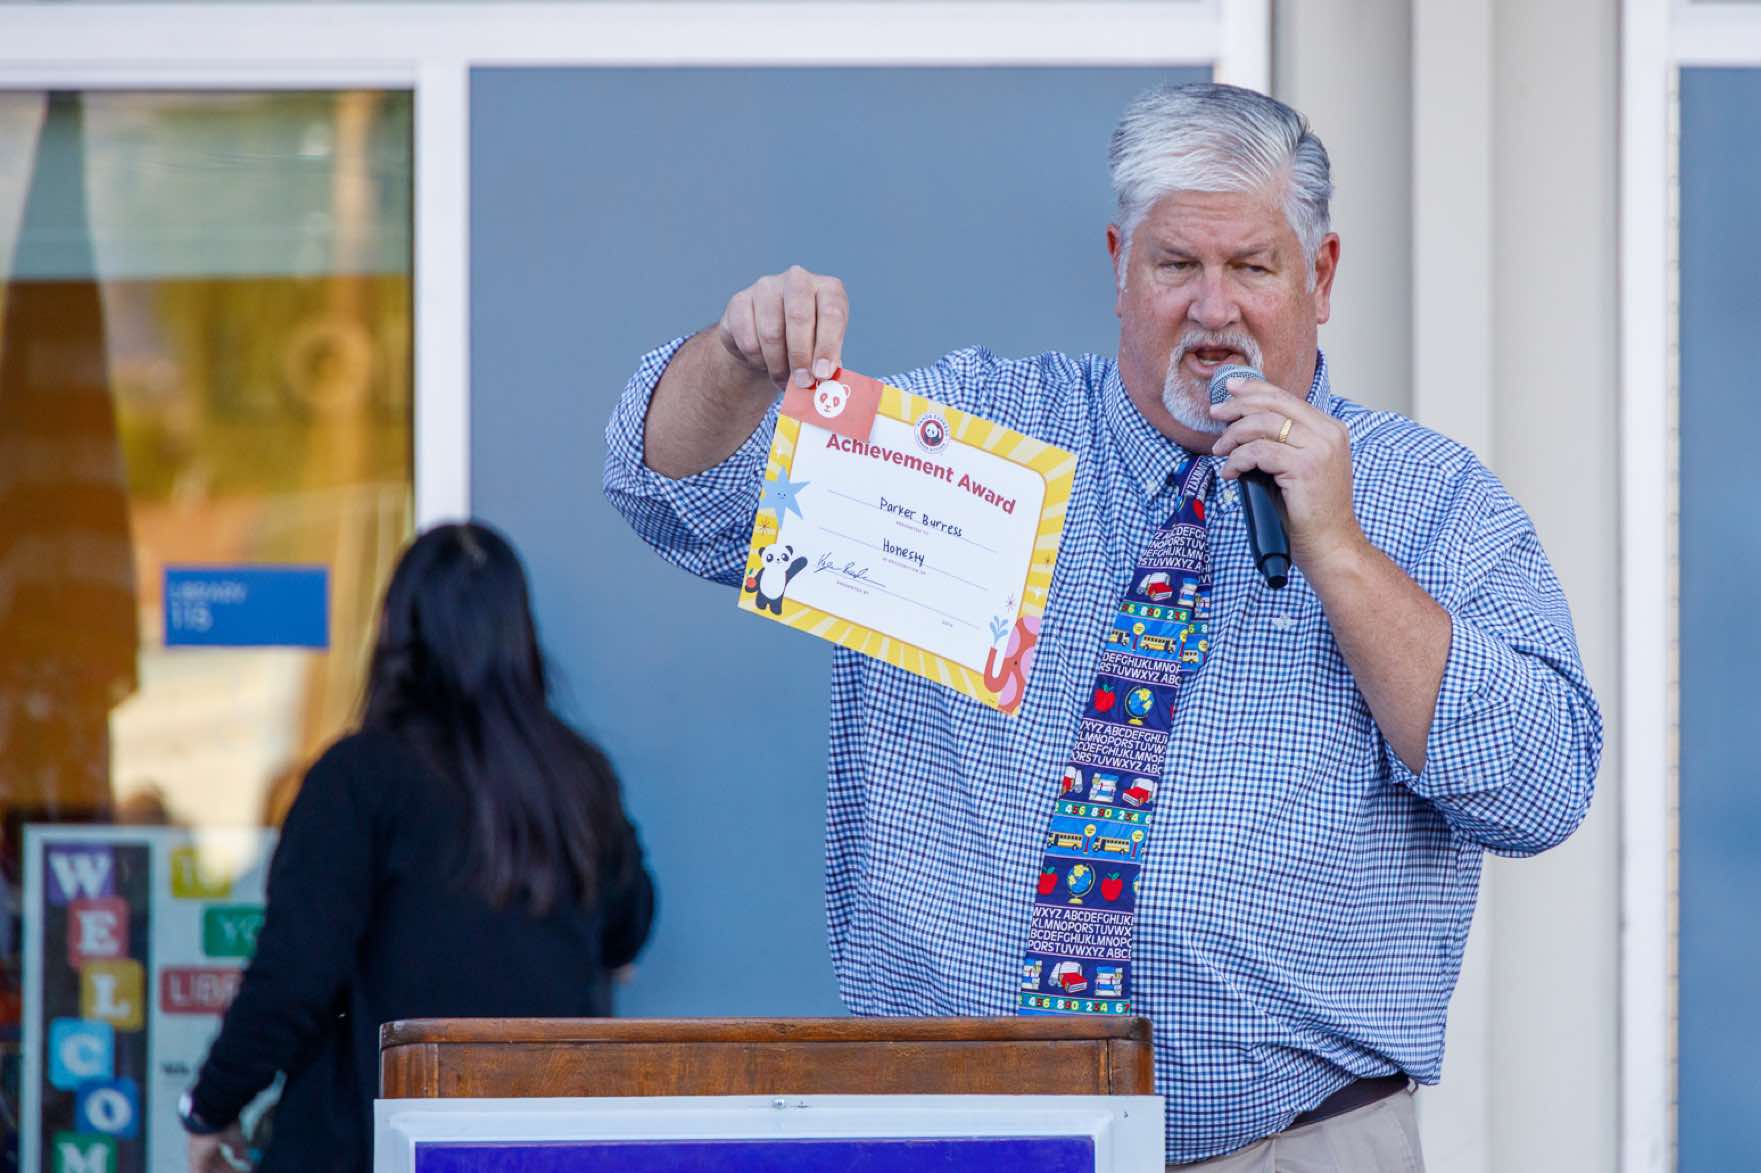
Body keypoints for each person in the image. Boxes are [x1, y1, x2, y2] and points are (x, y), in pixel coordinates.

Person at [602, 82, 1599, 1170]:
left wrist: (1344, 555)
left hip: (1287, 1146)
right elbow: (674, 498)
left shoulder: (1434, 501)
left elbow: (1538, 789)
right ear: (1121, 266)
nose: (1212, 309)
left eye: (1252, 266)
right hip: (959, 1136)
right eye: (1176, 265)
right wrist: (735, 363)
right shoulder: (974, 446)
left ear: (1320, 276)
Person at [182, 522, 656, 1172]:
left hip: (375, 1145)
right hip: (535, 1149)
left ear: (395, 630)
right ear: (518, 634)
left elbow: (294, 975)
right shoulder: (578, 777)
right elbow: (630, 925)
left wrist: (210, 1108)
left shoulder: (359, 777)